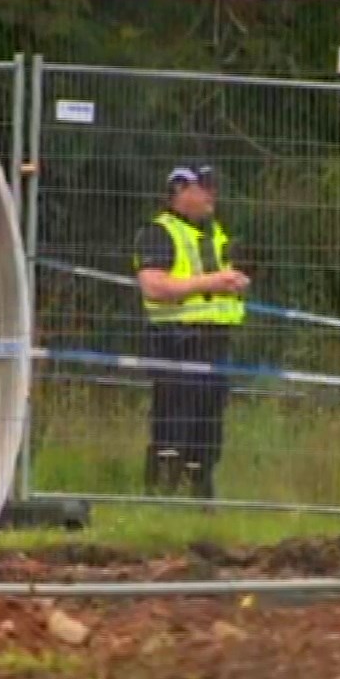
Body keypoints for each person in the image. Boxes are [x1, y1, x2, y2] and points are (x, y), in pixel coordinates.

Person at [132, 163, 249, 499]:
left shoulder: (216, 234)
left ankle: (201, 495)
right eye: (204, 186)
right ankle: (162, 494)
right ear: (181, 189)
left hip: (216, 342)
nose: (213, 193)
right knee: (174, 421)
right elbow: (154, 287)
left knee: (208, 426)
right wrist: (215, 282)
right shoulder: (159, 233)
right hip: (177, 340)